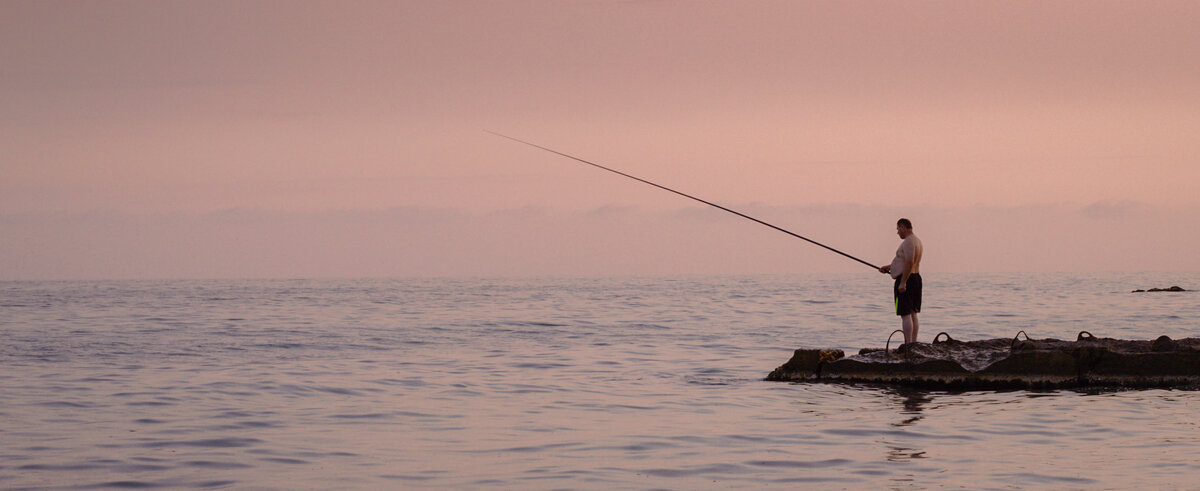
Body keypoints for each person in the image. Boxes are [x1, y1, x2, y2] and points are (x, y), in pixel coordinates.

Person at [878, 218, 923, 345]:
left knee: (905, 313)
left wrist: (903, 282)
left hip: (907, 280)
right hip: (916, 278)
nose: (897, 232)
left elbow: (909, 262)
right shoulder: (917, 241)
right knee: (913, 313)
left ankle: (908, 344)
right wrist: (890, 267)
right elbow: (905, 262)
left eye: (898, 229)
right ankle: (913, 343)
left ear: (903, 227)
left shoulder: (908, 242)